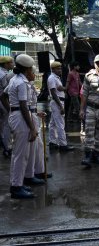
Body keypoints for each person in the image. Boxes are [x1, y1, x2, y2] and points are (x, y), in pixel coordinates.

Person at [5, 54, 38, 198]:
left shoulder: (14, 79)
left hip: (16, 115)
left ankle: (18, 183)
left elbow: (3, 95)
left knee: (20, 154)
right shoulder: (22, 83)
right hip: (21, 118)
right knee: (20, 154)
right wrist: (31, 127)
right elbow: (24, 106)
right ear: (27, 69)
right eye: (31, 68)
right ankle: (16, 187)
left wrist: (10, 109)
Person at [24, 66, 50, 185]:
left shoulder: (29, 84)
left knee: (39, 146)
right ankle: (29, 175)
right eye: (33, 73)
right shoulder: (20, 83)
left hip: (33, 115)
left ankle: (39, 171)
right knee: (31, 147)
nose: (35, 75)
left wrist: (36, 113)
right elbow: (22, 105)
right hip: (27, 117)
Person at [47, 61, 74, 152]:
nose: (60, 70)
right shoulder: (52, 78)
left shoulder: (56, 78)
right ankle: (63, 145)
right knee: (60, 124)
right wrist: (61, 106)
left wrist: (62, 88)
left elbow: (58, 88)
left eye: (60, 68)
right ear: (53, 69)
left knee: (53, 124)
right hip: (57, 102)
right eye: (58, 68)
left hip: (57, 102)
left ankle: (52, 142)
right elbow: (54, 93)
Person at [0, 56, 15, 157]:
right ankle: (7, 148)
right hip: (3, 101)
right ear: (6, 64)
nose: (12, 64)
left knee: (1, 125)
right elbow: (7, 91)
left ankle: (3, 145)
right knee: (7, 125)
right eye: (11, 63)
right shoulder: (4, 75)